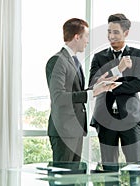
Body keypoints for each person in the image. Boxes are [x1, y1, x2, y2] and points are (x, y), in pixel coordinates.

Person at [46, 18, 117, 162]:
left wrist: (97, 86)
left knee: (73, 179)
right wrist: (91, 93)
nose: (87, 41)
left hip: (75, 129)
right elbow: (58, 97)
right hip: (64, 131)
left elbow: (76, 91)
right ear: (76, 37)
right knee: (62, 180)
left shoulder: (74, 61)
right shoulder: (57, 61)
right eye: (86, 36)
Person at [89, 13, 140, 172]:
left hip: (130, 118)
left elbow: (139, 84)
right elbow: (93, 84)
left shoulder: (137, 55)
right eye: (108, 32)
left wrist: (108, 85)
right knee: (108, 170)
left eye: (115, 32)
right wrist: (118, 71)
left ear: (126, 33)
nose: (111, 36)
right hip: (104, 118)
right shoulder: (99, 57)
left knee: (136, 170)